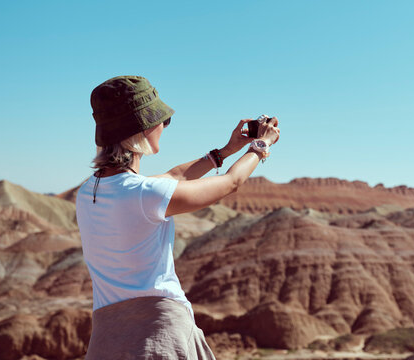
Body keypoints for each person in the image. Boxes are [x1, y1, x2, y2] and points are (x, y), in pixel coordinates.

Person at [76, 75, 280, 359]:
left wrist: (224, 151)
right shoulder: (144, 194)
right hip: (159, 337)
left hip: (108, 340)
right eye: (162, 120)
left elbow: (173, 177)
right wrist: (261, 146)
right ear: (144, 129)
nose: (164, 126)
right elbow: (232, 183)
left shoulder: (89, 191)